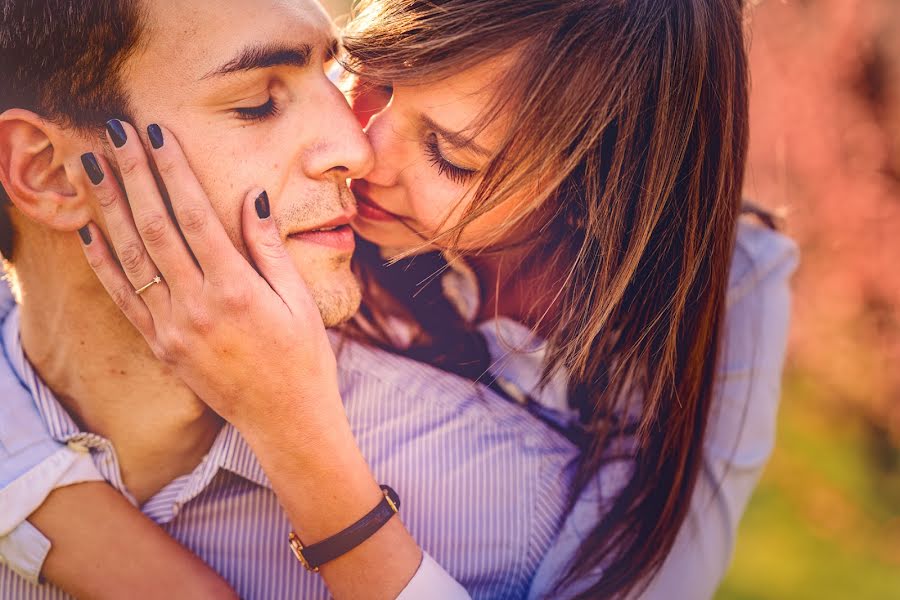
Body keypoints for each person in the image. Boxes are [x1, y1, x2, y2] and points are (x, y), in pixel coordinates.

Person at [0, 0, 798, 598]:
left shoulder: (723, 304)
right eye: (368, 82)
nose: (358, 151)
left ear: (586, 191)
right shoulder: (327, 213)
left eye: (451, 156)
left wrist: (295, 427)